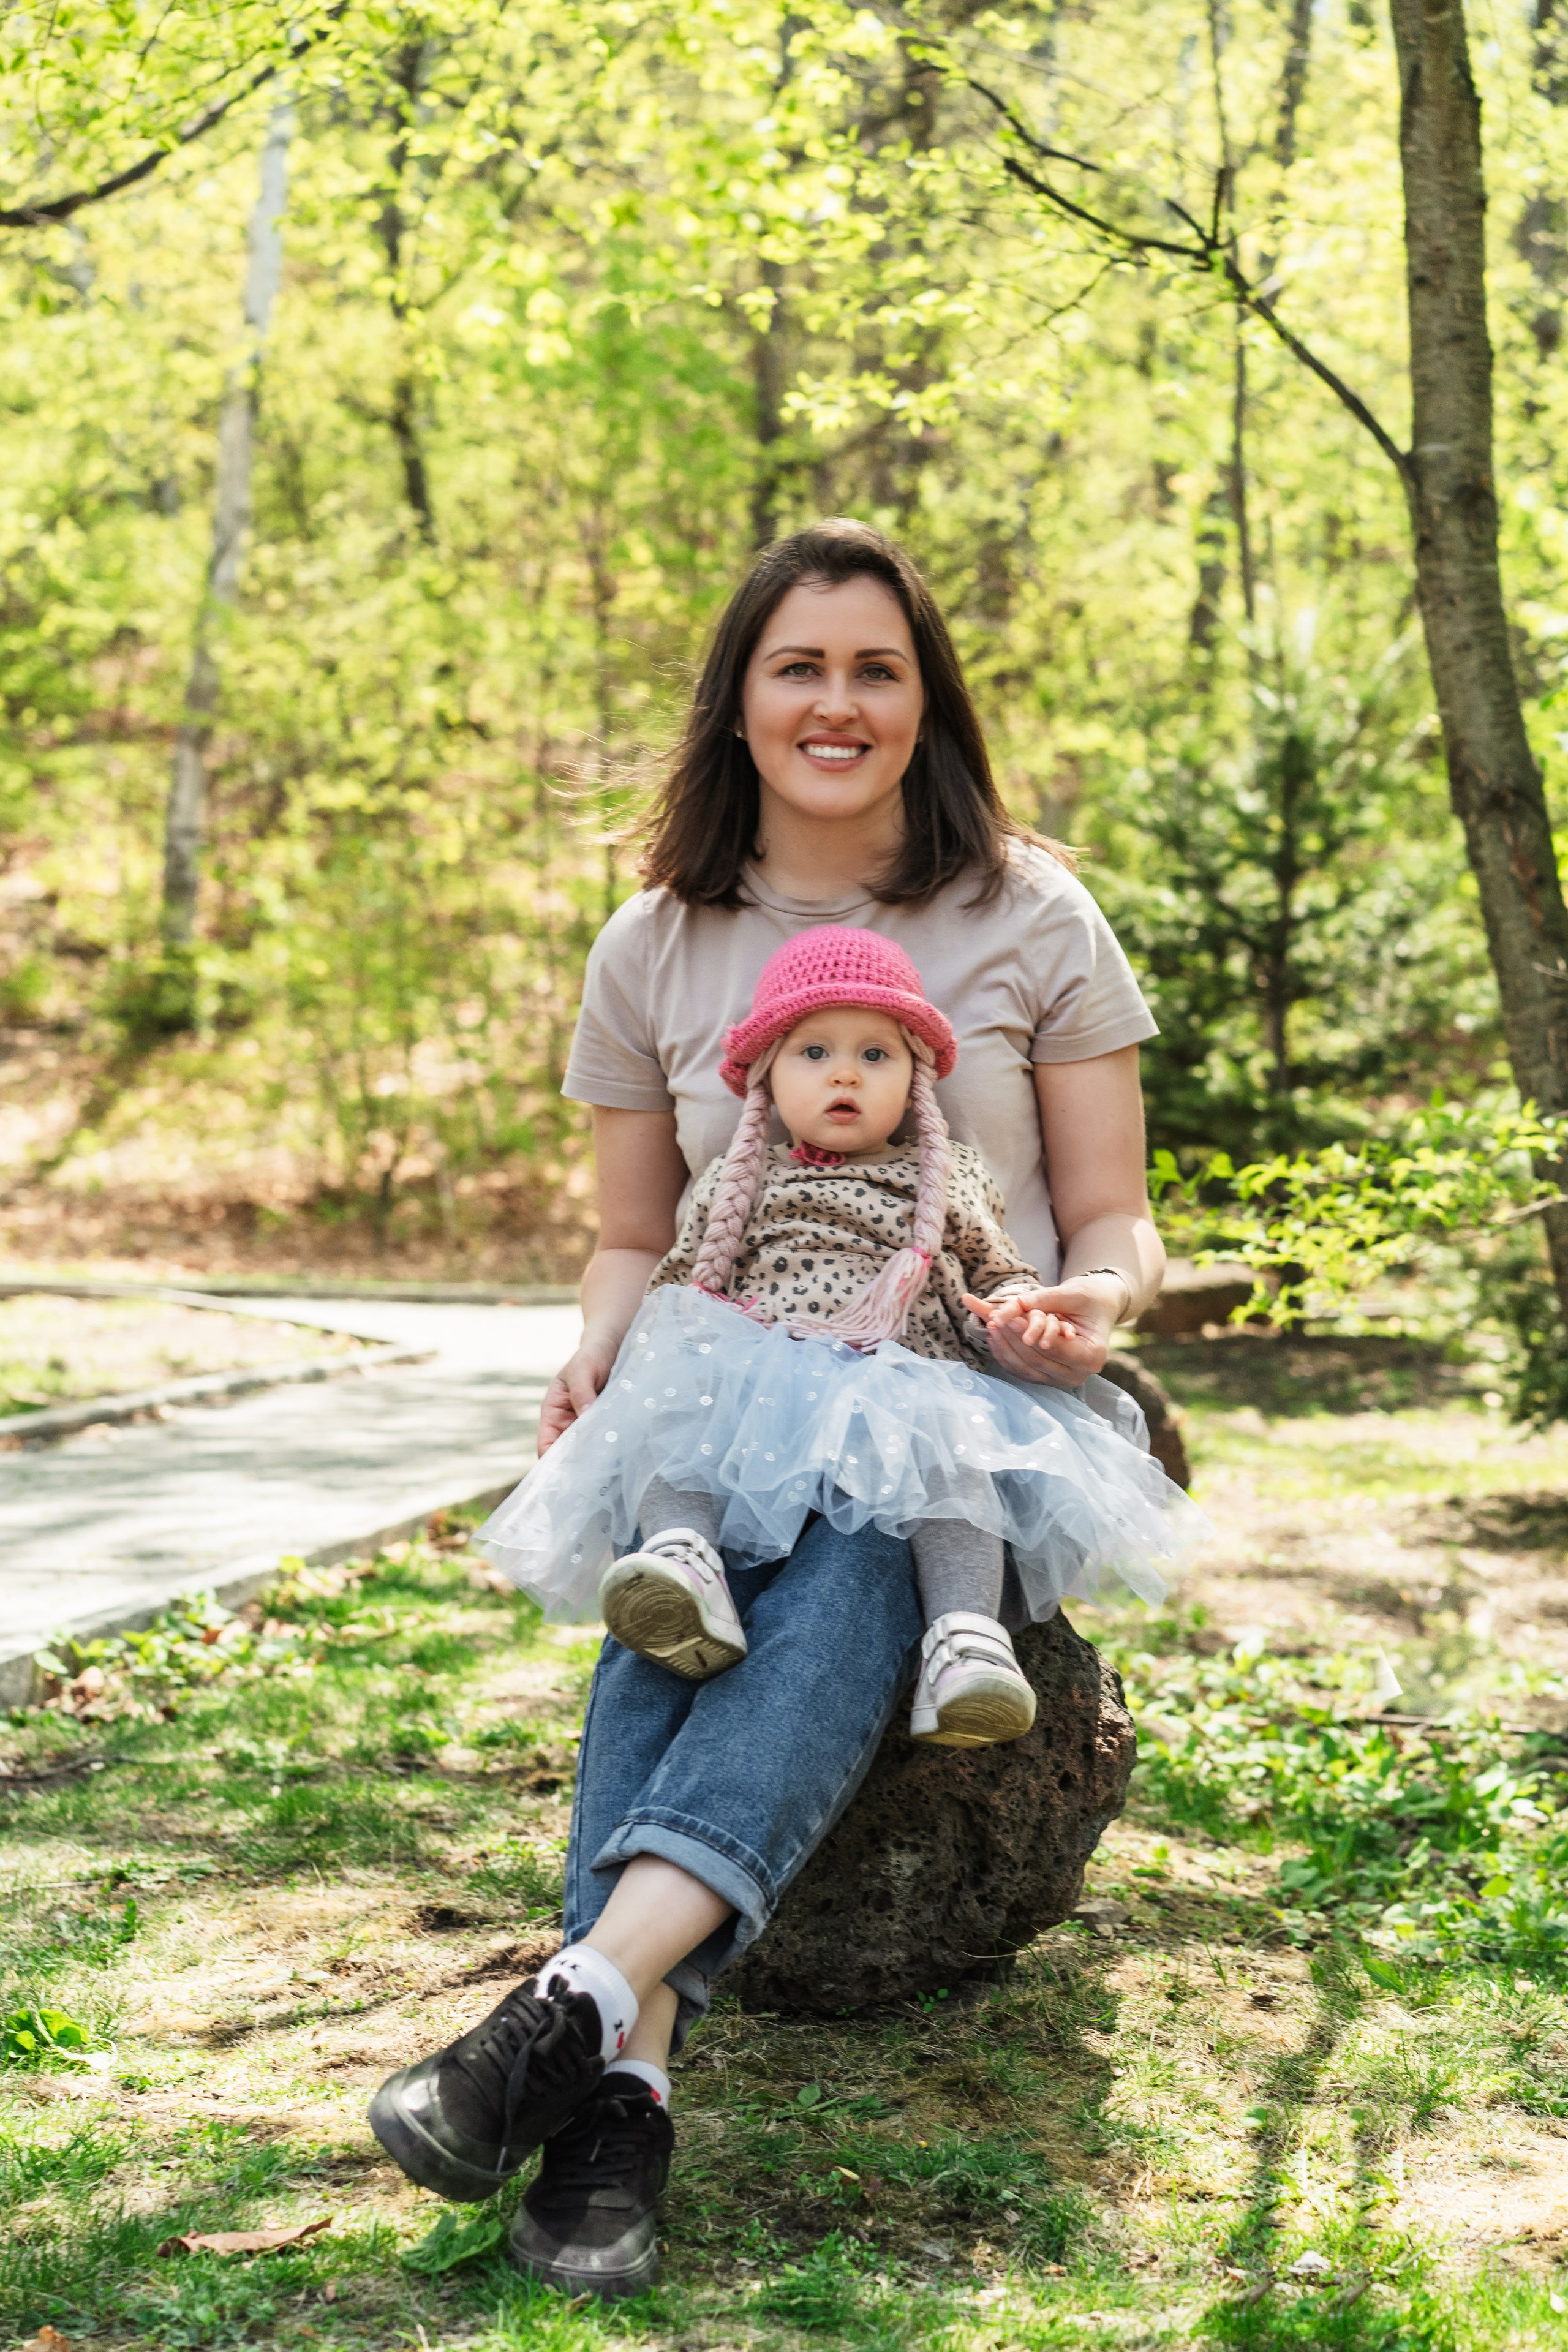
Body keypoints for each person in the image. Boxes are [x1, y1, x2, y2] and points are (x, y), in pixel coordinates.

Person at [368, 518, 1173, 2301]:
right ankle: (611, 2090)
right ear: (739, 701)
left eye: (876, 668)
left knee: (858, 1567)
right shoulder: (654, 944)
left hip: (957, 1393)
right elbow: (631, 1236)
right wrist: (595, 1349)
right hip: (732, 1385)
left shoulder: (1033, 912)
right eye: (799, 666)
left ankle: (573, 2010)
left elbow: (1118, 1214)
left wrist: (1090, 1302)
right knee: (683, 1616)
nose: (838, 702)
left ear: (925, 701)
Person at [478, 925, 1202, 1749]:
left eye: (876, 1055)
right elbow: (681, 1281)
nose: (846, 1073)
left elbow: (996, 1270)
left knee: (958, 1472)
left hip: (905, 1382)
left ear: (916, 1080)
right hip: (762, 1377)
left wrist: (1024, 1314)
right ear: (767, 1079)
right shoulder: (738, 1181)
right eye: (814, 1053)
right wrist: (624, 1357)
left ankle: (966, 1645)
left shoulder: (950, 1178)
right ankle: (683, 1561)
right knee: (676, 1415)